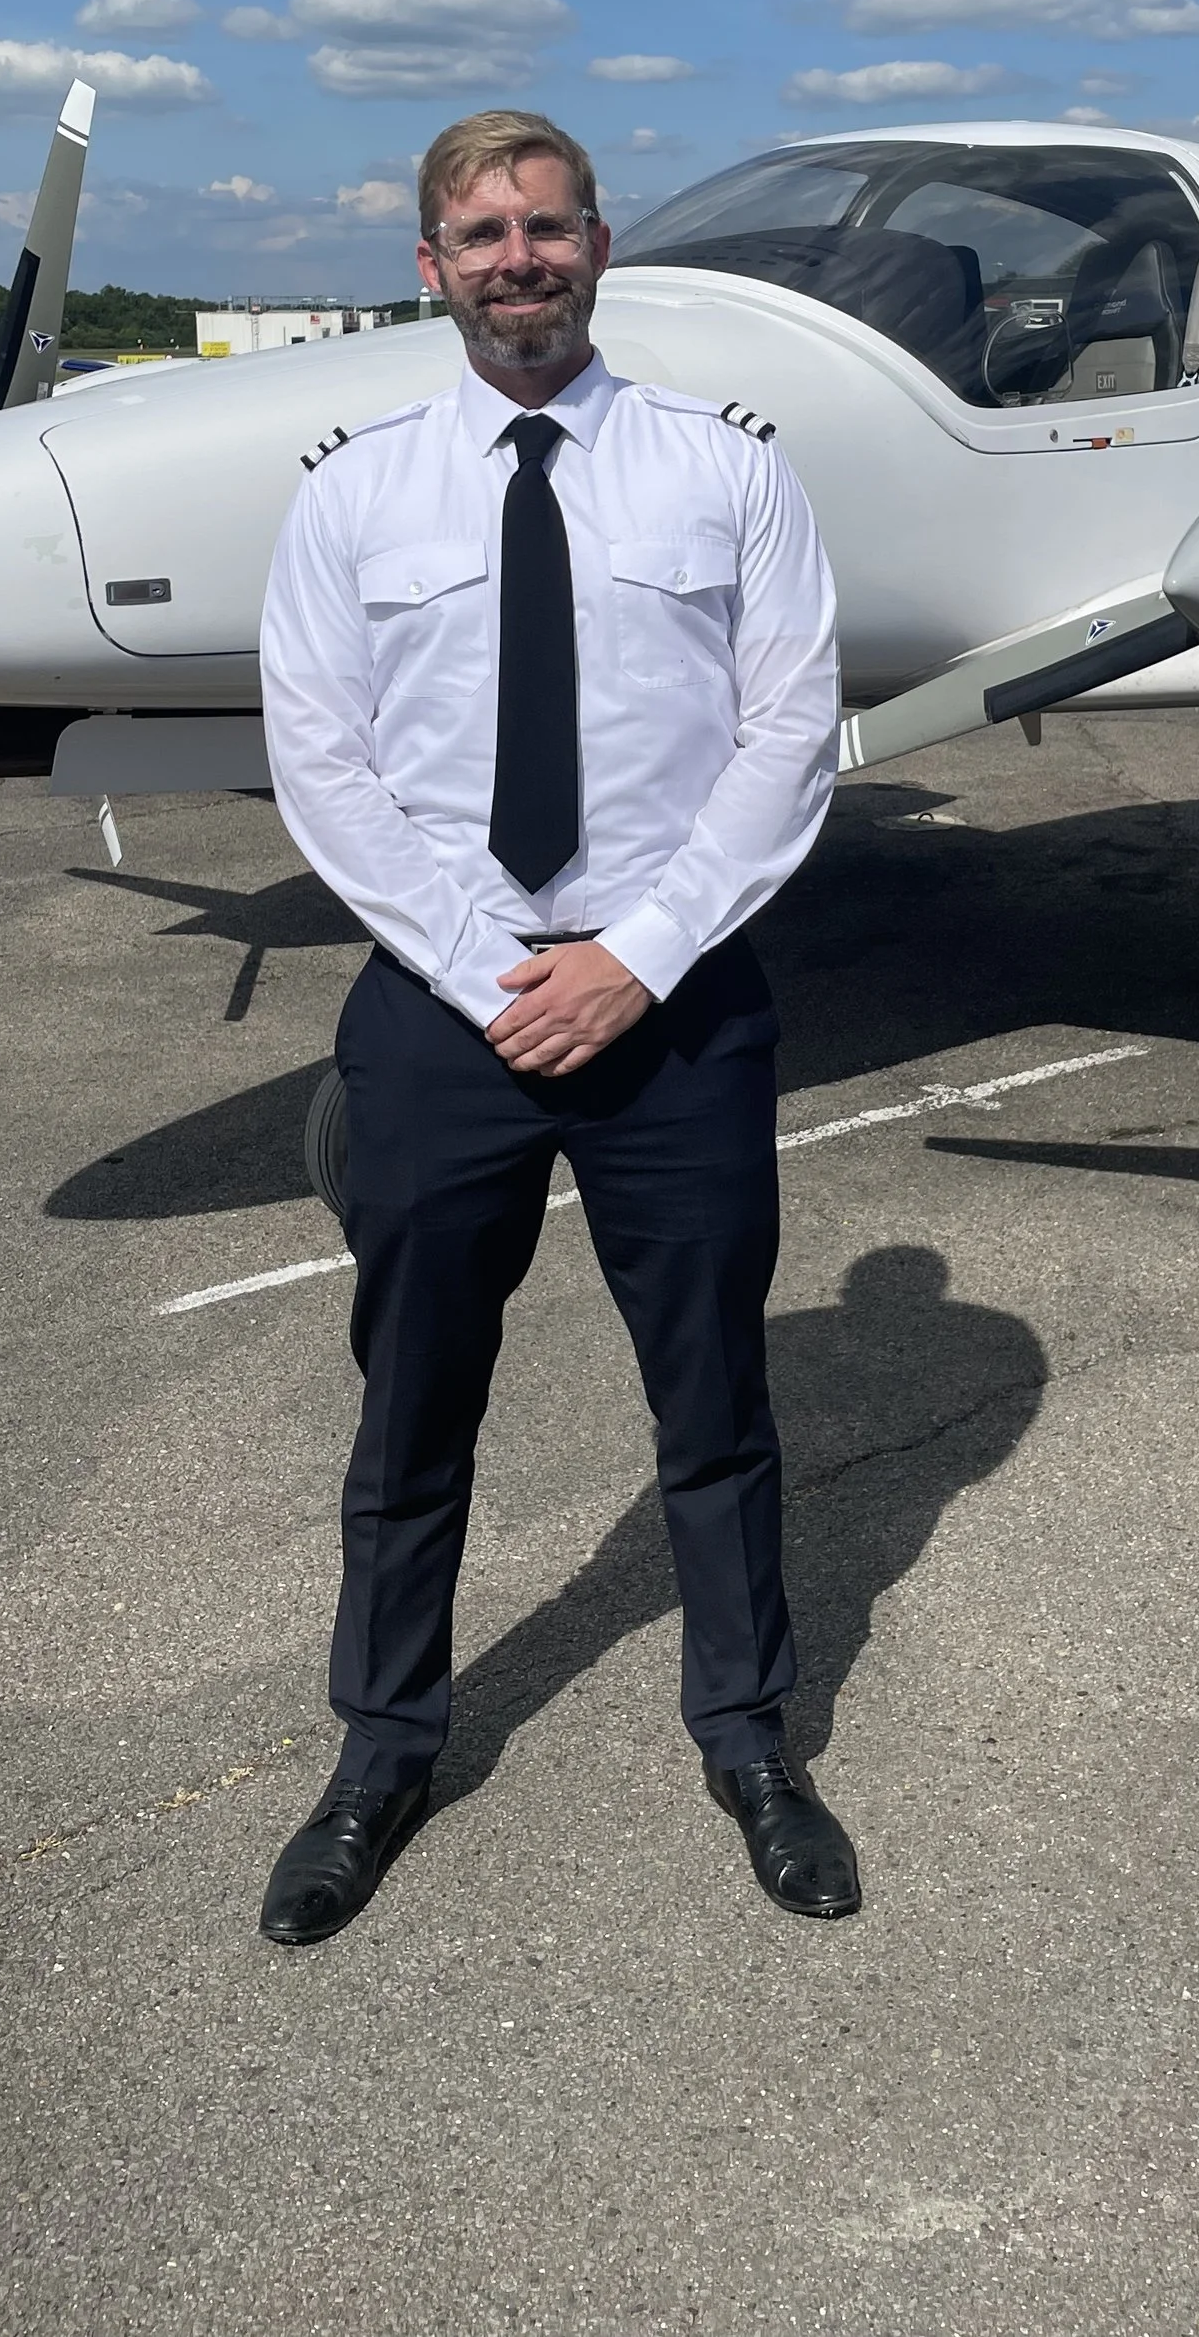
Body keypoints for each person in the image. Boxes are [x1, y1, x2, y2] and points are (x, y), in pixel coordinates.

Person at [256, 107, 857, 1943]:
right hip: (451, 1004)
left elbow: (788, 733)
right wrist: (483, 966)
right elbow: (324, 761)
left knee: (716, 1398)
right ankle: (383, 1747)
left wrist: (639, 957)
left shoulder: (724, 474)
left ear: (600, 249)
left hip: (670, 999)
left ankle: (751, 1738)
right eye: (481, 234)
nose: (517, 259)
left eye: (547, 226)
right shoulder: (356, 492)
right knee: (414, 1398)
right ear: (429, 270)